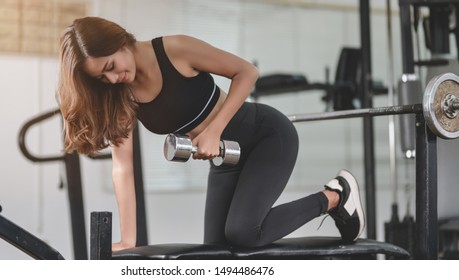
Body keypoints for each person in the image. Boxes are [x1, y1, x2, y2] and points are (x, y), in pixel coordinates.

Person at [56, 16, 365, 251]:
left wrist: (214, 130)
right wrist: (128, 238)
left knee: (243, 233)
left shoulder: (174, 50)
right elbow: (122, 168)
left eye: (111, 65)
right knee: (214, 254)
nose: (113, 77)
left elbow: (247, 72)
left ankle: (335, 196)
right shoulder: (123, 95)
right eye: (103, 76)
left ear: (119, 39)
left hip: (266, 136)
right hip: (225, 159)